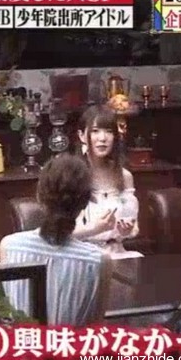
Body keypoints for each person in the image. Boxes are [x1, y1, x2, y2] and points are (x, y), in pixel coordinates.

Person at [0, 154, 113, 326]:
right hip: (72, 344)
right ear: (84, 203)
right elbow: (95, 326)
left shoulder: (9, 246)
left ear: (39, 196)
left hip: (20, 343)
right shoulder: (99, 260)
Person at [71, 105, 139, 253]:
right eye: (95, 131)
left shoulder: (124, 176)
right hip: (82, 254)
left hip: (116, 252)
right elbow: (59, 233)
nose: (102, 138)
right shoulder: (71, 176)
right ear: (82, 136)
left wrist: (126, 231)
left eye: (109, 131)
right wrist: (95, 229)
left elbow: (134, 227)